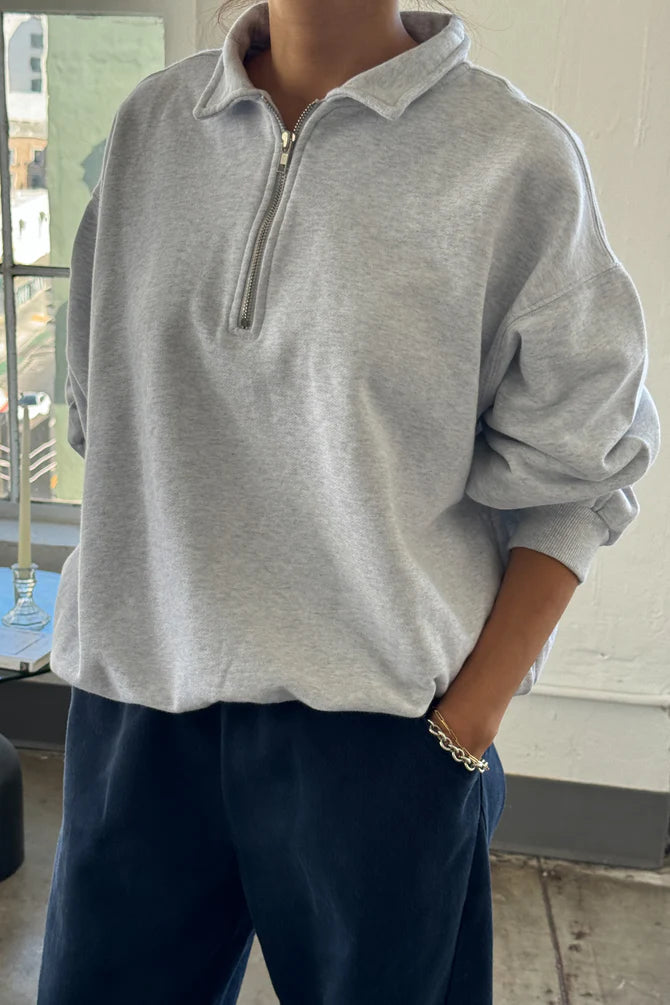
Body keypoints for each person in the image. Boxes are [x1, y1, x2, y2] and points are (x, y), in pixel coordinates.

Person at [36, 1, 661, 1003]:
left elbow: (586, 469)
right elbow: (103, 413)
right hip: (137, 705)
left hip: (377, 741)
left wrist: (463, 726)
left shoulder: (513, 160)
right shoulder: (155, 125)